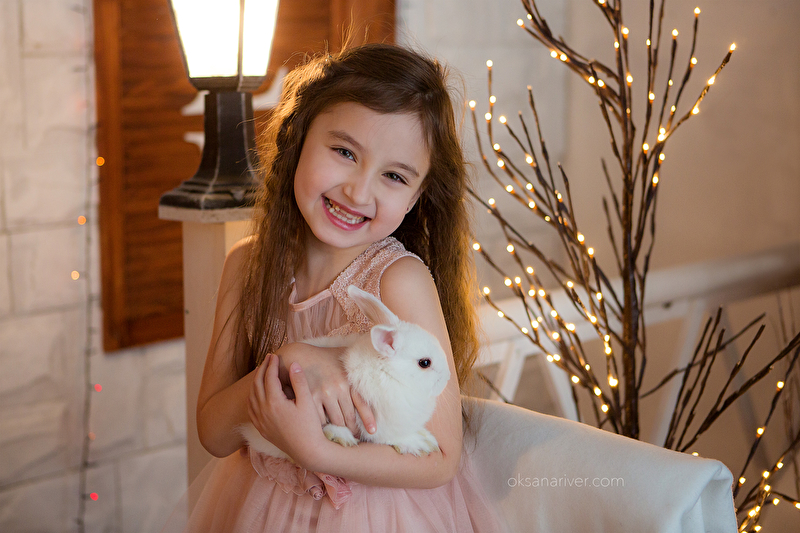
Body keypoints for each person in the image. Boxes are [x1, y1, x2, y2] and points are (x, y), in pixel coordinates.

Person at [177, 43, 499, 531]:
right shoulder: (247, 265)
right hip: (259, 506)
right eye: (345, 152)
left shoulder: (396, 279)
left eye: (394, 176)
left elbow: (440, 459)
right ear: (298, 138)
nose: (358, 191)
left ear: (416, 197)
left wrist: (316, 452)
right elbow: (215, 433)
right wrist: (292, 359)